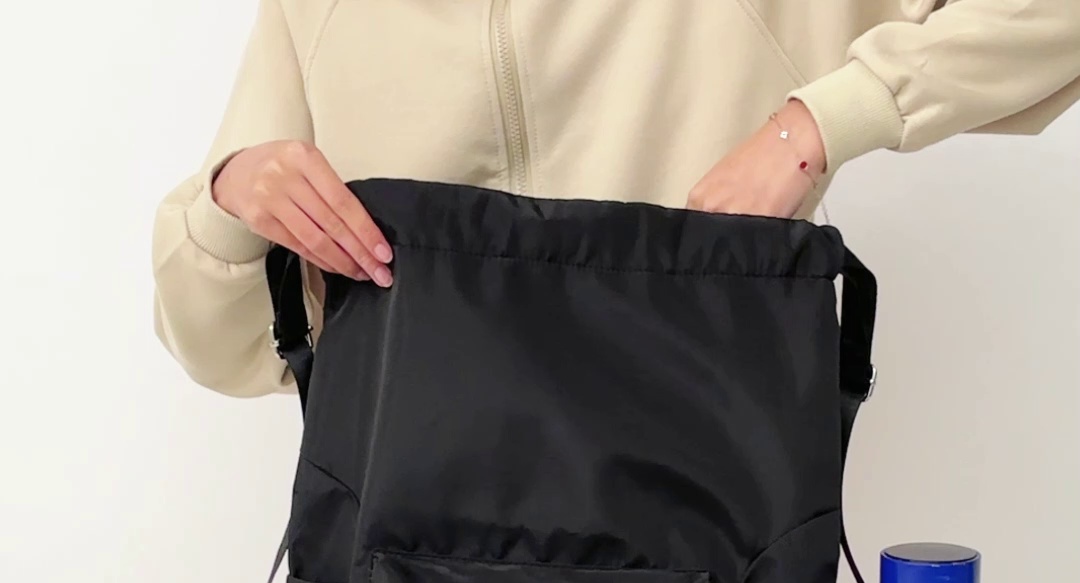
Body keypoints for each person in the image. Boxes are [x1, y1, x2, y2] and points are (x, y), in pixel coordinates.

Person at [153, 0, 1080, 397]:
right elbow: (220, 346)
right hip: (403, 561)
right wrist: (233, 202)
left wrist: (819, 122)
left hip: (685, 527)